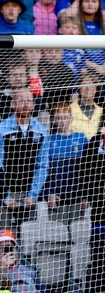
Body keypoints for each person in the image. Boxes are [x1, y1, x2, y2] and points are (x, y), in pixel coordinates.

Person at [0, 89, 48, 228]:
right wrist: (5, 196)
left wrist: (33, 194)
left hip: (29, 195)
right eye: (21, 100)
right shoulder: (2, 129)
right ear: (13, 104)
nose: (26, 104)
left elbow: (42, 165)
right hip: (5, 193)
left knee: (30, 237)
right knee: (5, 238)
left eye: (29, 101)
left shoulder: (41, 130)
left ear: (33, 105)